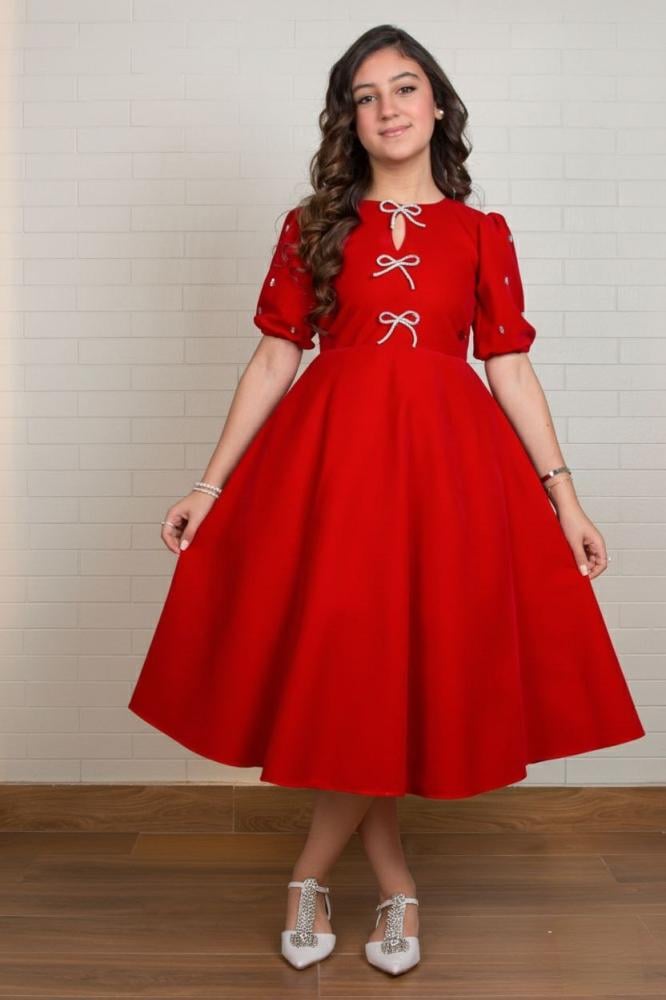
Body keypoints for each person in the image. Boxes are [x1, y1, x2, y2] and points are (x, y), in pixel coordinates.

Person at [128, 24, 646, 978]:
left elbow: (510, 367)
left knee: (403, 670)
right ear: (350, 120)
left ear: (437, 105)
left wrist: (565, 499)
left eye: (405, 88)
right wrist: (210, 483)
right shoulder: (312, 227)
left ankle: (319, 876)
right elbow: (276, 356)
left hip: (448, 474)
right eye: (366, 97)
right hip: (333, 472)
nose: (388, 108)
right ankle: (391, 883)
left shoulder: (482, 234)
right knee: (354, 669)